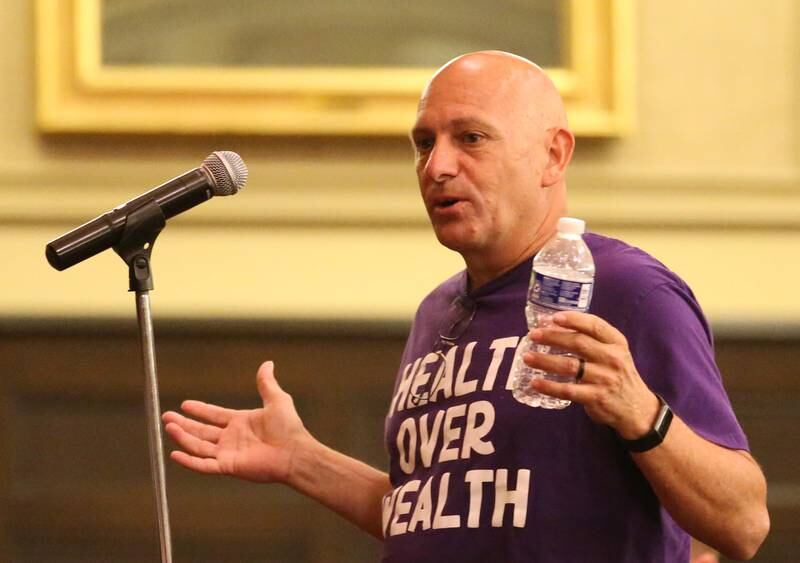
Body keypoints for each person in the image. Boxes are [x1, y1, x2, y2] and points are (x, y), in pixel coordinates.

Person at [162, 51, 769, 562]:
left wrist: (641, 413)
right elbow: (436, 515)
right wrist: (303, 460)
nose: (437, 166)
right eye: (423, 143)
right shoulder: (438, 311)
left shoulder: (629, 290)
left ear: (554, 156)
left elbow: (743, 524)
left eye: (471, 138)